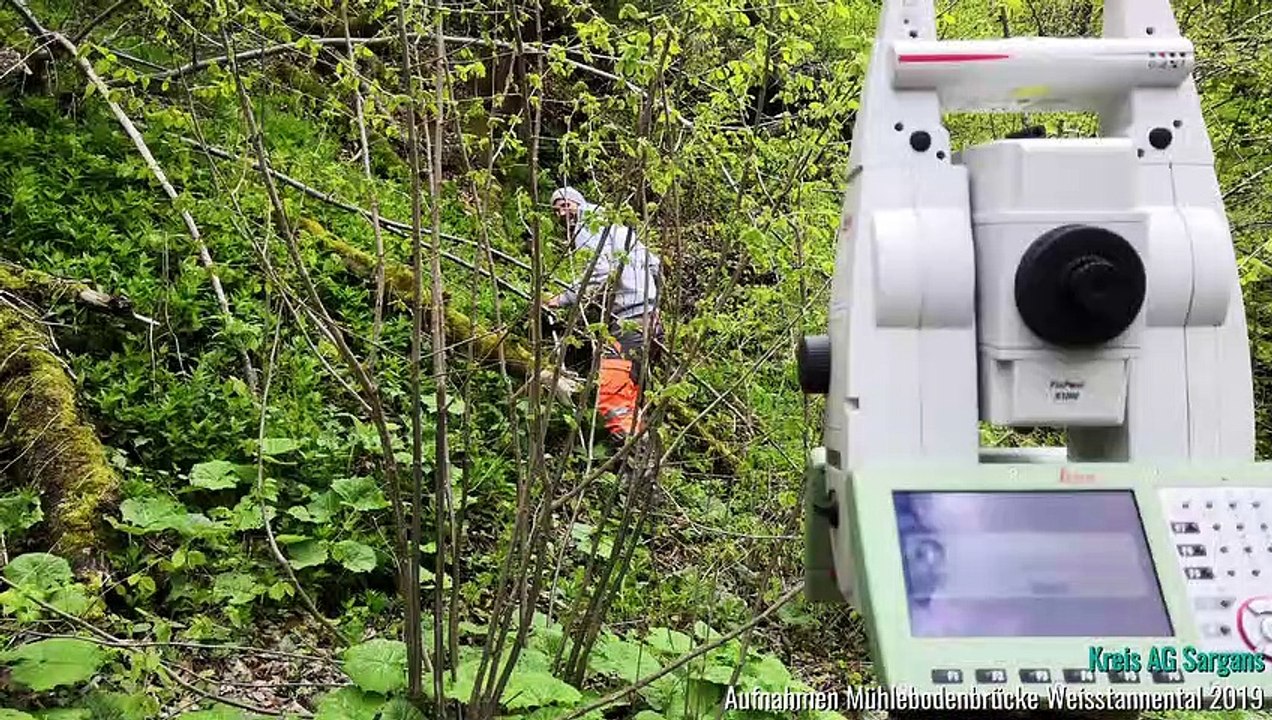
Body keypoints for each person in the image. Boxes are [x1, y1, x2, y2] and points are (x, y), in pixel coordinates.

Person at [546, 186, 662, 443]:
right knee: (630, 397)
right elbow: (655, 264)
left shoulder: (588, 223)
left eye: (565, 205)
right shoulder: (622, 231)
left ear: (578, 203)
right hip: (651, 321)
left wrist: (562, 299)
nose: (561, 213)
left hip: (632, 323)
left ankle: (635, 455)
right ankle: (643, 463)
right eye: (556, 209)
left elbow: (597, 273)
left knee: (613, 394)